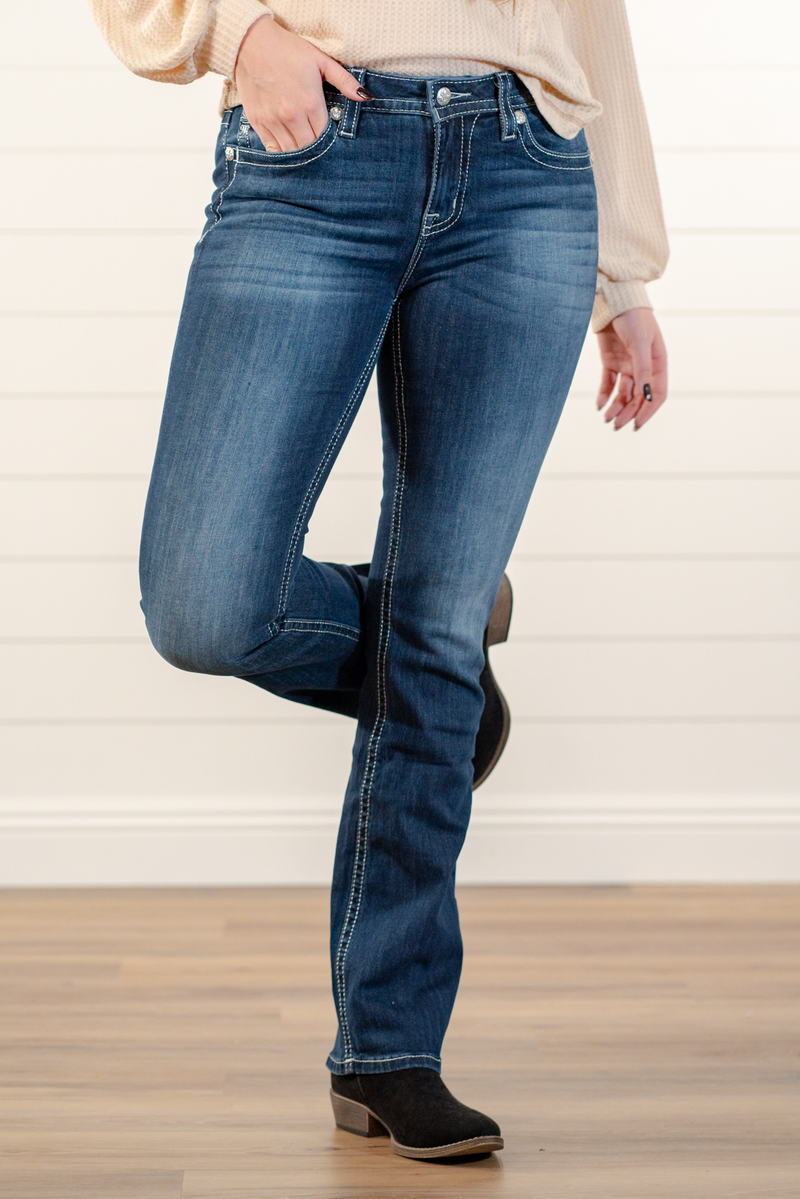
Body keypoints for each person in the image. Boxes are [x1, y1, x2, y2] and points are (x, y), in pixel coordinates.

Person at [89, 0, 668, 1161]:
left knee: (436, 624)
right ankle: (430, 649)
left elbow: (589, 20)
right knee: (206, 605)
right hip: (314, 146)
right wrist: (239, 40)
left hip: (529, 168)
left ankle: (389, 1049)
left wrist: (624, 279)